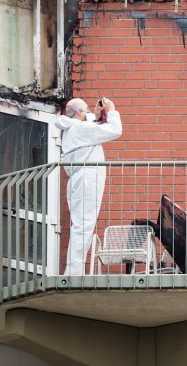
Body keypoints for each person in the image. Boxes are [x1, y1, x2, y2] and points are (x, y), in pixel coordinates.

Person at [56, 97, 122, 275]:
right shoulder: (79, 128)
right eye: (86, 111)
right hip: (87, 179)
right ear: (78, 113)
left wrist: (99, 116)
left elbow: (94, 127)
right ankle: (74, 273)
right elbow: (115, 130)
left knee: (81, 225)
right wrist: (112, 110)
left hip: (80, 179)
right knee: (83, 225)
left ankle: (74, 271)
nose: (89, 114)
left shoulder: (76, 129)